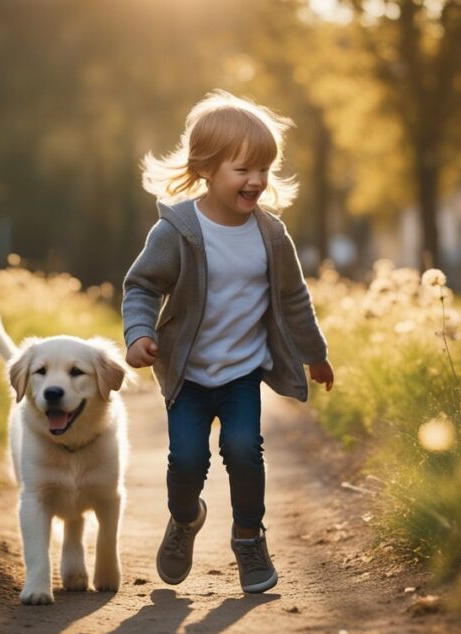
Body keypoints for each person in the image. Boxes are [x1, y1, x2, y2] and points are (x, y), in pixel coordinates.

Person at [122, 90, 334, 594]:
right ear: (206, 169)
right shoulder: (177, 231)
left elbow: (294, 298)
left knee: (243, 450)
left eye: (264, 168)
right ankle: (185, 517)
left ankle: (248, 537)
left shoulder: (271, 235)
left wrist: (316, 354)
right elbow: (142, 286)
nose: (256, 181)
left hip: (242, 372)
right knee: (187, 461)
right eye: (243, 169)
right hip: (189, 376)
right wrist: (139, 334)